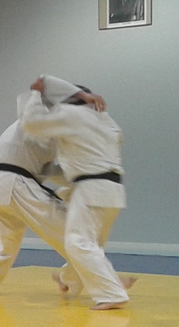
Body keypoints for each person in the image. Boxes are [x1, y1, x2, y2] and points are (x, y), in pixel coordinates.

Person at [0, 80, 102, 295]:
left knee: (7, 242)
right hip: (16, 183)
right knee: (73, 232)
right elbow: (36, 97)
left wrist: (80, 180)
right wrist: (38, 93)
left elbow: (49, 169)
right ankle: (102, 283)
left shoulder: (45, 128)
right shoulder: (40, 117)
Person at [19, 76, 132, 310]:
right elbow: (85, 158)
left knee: (77, 242)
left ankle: (112, 293)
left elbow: (32, 124)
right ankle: (68, 280)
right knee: (92, 245)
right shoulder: (108, 122)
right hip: (113, 191)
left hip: (92, 189)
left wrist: (36, 95)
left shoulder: (72, 114)